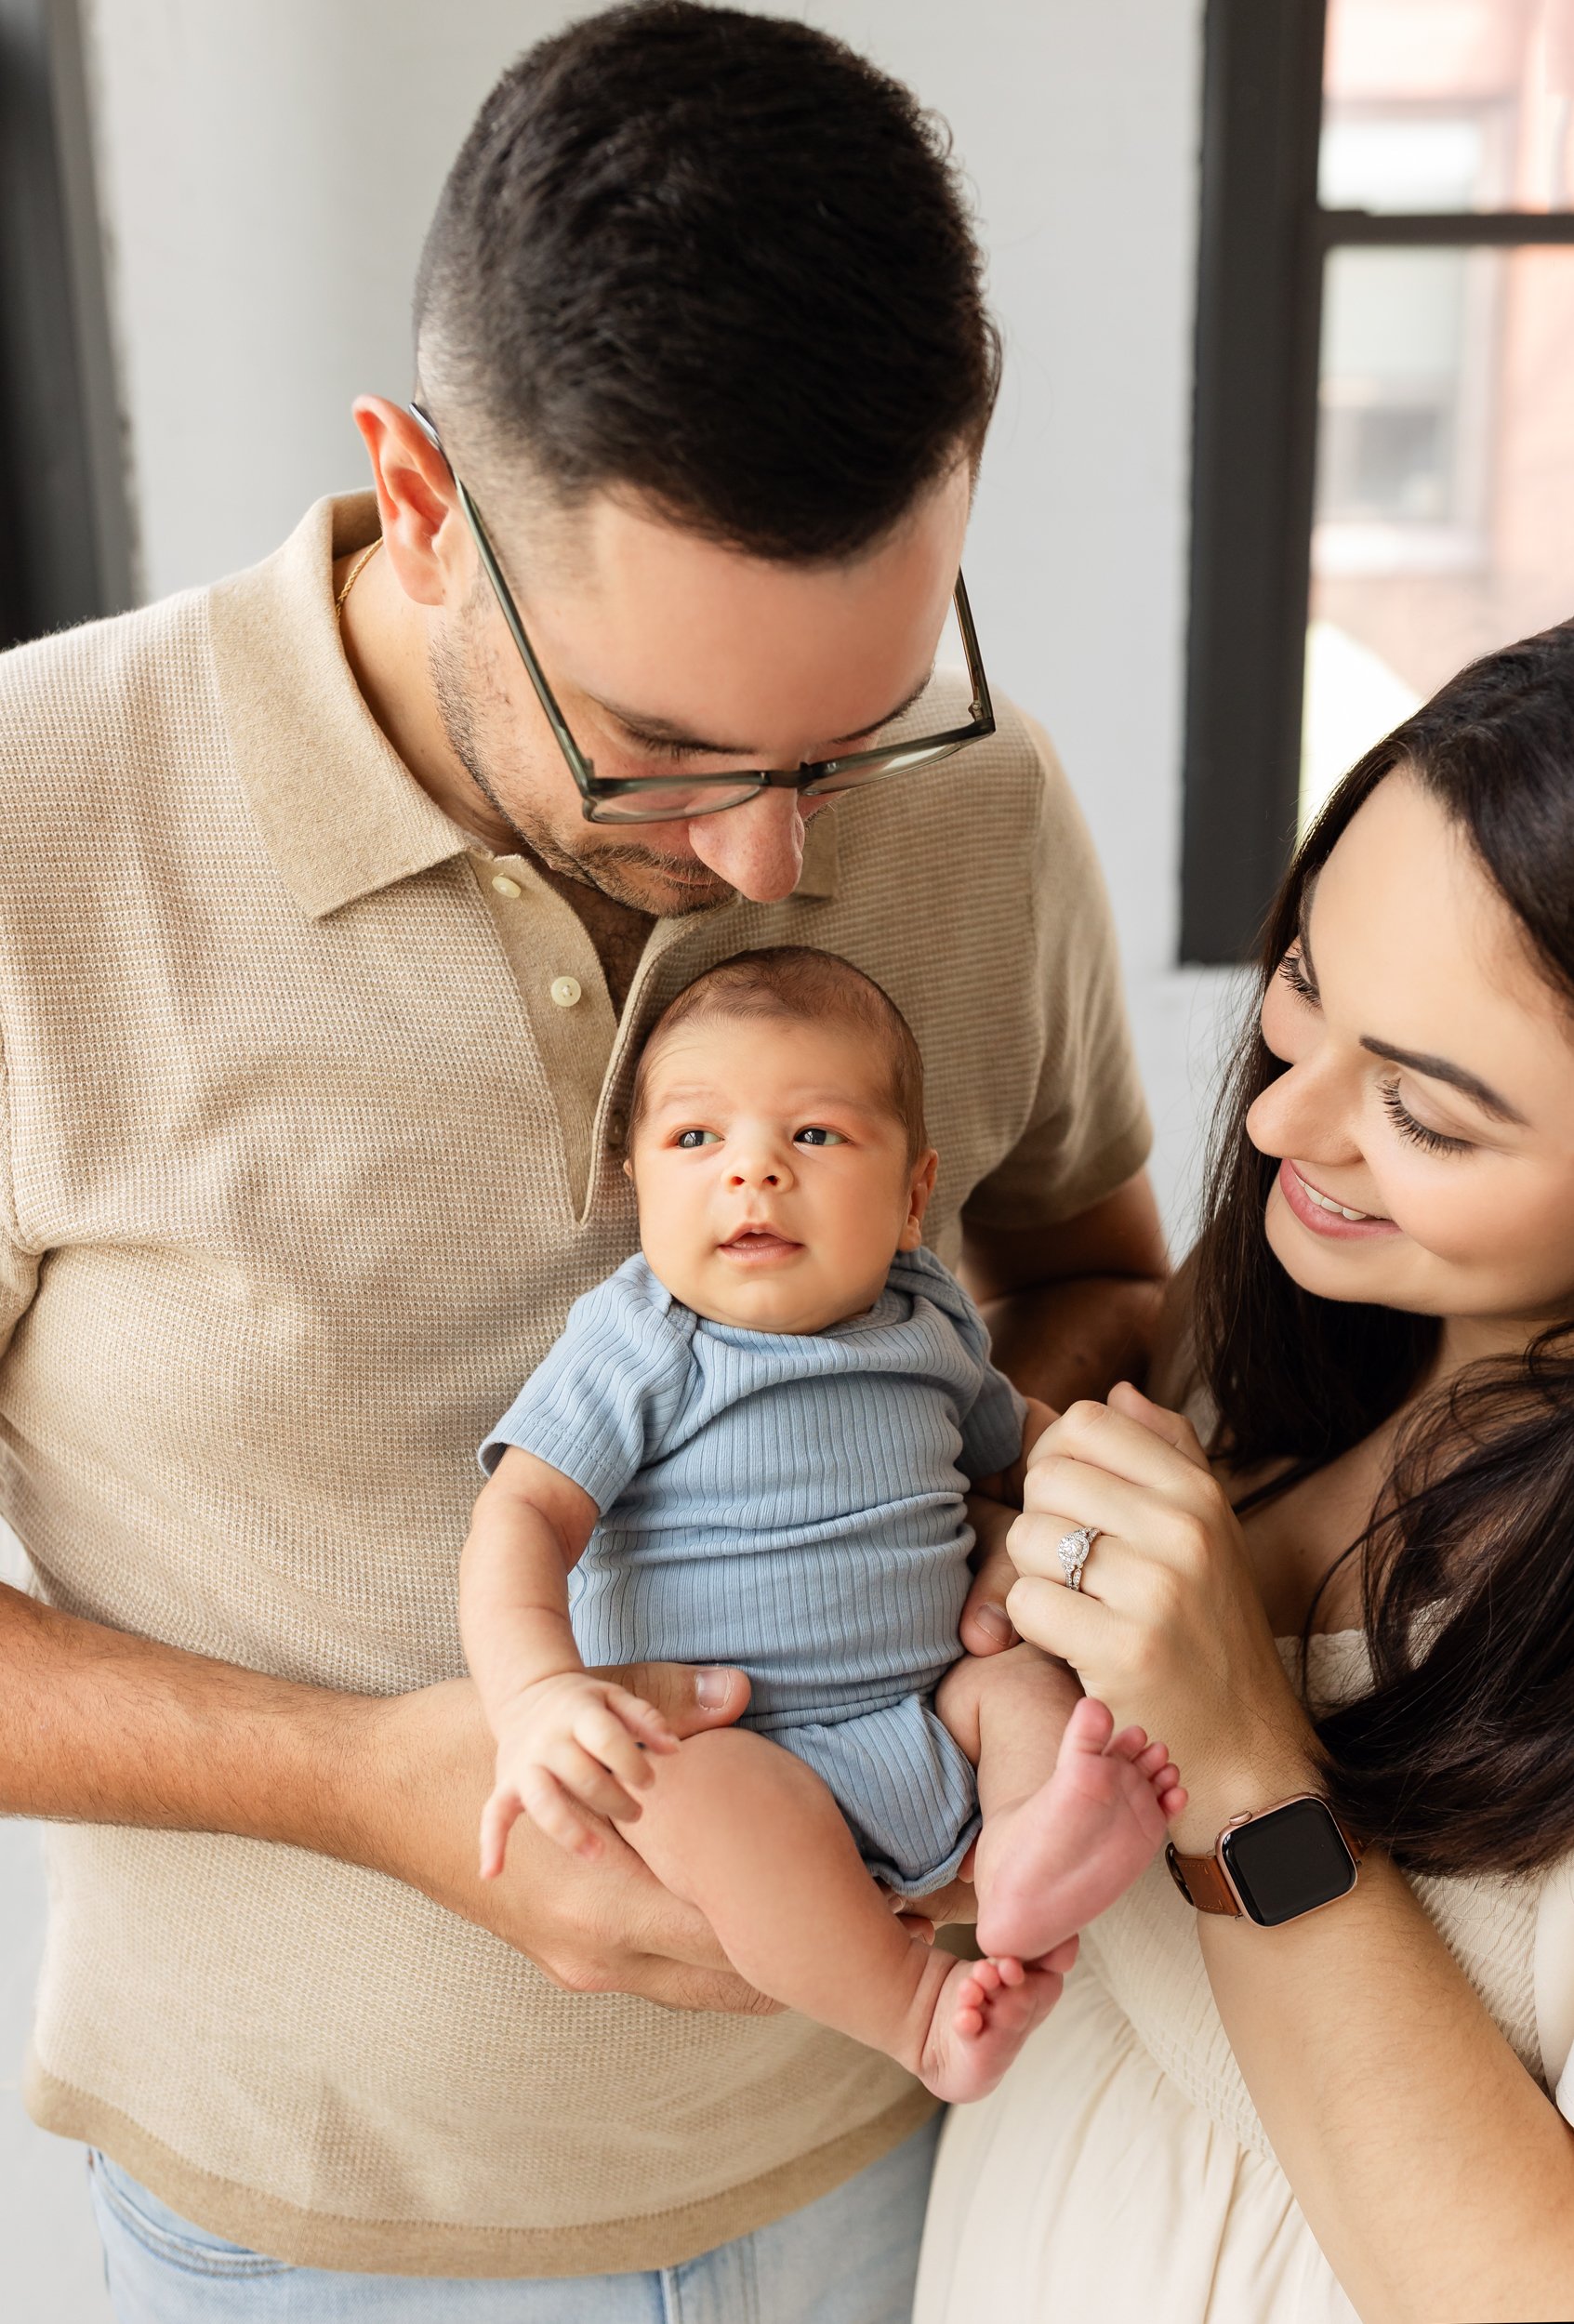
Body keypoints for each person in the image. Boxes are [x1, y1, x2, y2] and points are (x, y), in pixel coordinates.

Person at [0, 7, 1165, 2316]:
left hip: (916, 2149)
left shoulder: (979, 794)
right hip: (319, 2229)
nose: (764, 854)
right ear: (420, 502)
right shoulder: (30, 830)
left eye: (853, 727)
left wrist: (1035, 1517)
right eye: (655, 751)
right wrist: (369, 1785)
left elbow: (1081, 1272)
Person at [916, 620, 1574, 2324]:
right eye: (1301, 984)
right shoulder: (1289, 1315)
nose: (1282, 1123)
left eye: (1423, 1114)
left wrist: (1234, 1759)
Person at [464, 948, 1183, 2099]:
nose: (751, 1170)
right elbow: (524, 1514)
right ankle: (916, 2012)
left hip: (933, 1709)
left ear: (911, 1197)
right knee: (684, 1791)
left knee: (1027, 1691)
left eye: (813, 1136)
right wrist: (534, 1694)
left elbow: (1019, 1447)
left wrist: (1107, 1469)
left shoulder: (931, 1317)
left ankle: (1026, 1854)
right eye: (696, 1140)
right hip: (747, 1750)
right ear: (640, 1188)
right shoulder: (640, 1339)